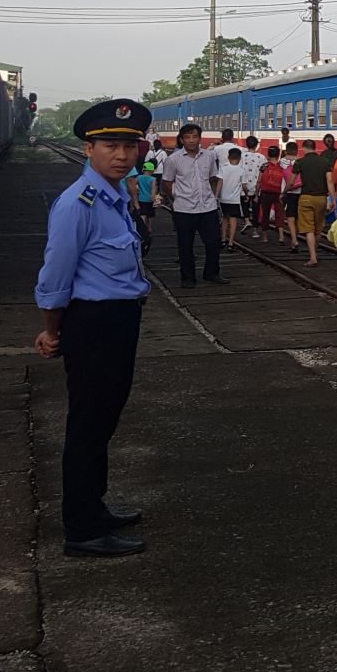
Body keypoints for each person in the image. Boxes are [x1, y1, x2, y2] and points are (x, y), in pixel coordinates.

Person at [33, 98, 153, 558]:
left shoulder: (116, 194)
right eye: (109, 146)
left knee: (104, 419)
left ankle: (95, 506)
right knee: (87, 424)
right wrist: (52, 331)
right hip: (93, 323)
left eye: (129, 145)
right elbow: (54, 278)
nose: (122, 155)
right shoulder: (76, 204)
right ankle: (82, 529)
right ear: (88, 148)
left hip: (119, 320)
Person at [162, 123, 226, 288]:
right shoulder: (173, 160)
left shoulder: (209, 156)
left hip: (207, 206)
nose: (191, 140)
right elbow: (167, 183)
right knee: (185, 244)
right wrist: (175, 199)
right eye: (187, 137)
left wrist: (214, 197)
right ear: (182, 140)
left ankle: (211, 273)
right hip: (184, 207)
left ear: (200, 138)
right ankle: (188, 278)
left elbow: (213, 177)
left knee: (213, 241)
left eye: (195, 136)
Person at [293, 139, 331, 267]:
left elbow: (291, 181)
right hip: (321, 198)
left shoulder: (300, 162)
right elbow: (330, 182)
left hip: (306, 197)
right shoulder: (325, 162)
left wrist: (284, 191)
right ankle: (315, 251)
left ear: (304, 148)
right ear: (315, 148)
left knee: (308, 229)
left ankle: (313, 257)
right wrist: (333, 199)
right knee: (318, 229)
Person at [217, 147, 252, 250]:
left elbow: (219, 182)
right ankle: (231, 243)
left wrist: (216, 195)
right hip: (234, 200)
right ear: (240, 158)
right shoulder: (241, 171)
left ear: (228, 157)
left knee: (224, 219)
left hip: (223, 199)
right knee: (233, 220)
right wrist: (246, 195)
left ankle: (223, 240)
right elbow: (244, 186)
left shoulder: (223, 168)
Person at [256, 144, 286, 239]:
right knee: (279, 214)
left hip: (265, 193)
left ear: (268, 155)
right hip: (278, 193)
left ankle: (265, 237)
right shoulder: (282, 166)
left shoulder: (264, 166)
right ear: (278, 155)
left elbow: (259, 181)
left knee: (265, 214)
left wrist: (257, 194)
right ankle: (281, 236)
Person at [239, 136, 266, 238]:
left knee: (245, 205)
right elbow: (263, 171)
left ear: (246, 144)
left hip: (244, 186)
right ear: (256, 145)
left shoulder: (242, 156)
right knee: (256, 209)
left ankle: (246, 220)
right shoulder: (262, 157)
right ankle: (255, 231)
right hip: (257, 187)